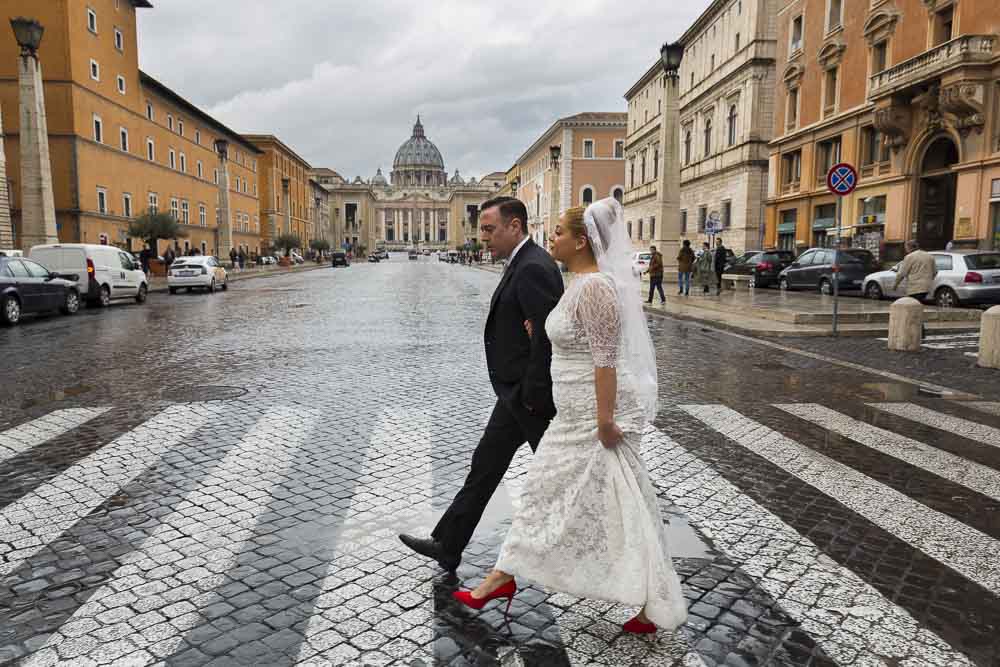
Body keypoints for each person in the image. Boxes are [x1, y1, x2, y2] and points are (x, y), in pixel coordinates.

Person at [451, 199, 688, 635]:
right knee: (582, 499)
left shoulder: (596, 287)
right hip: (570, 413)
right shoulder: (577, 283)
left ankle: (504, 580)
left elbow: (605, 360)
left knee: (616, 503)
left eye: (559, 231)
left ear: (582, 241)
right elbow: (568, 333)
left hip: (589, 417)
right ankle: (503, 577)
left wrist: (603, 422)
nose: (552, 238)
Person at [399, 197, 564, 571]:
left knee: (562, 476)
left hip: (529, 396)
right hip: (513, 395)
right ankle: (448, 544)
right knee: (485, 466)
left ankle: (606, 544)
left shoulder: (534, 267)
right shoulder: (522, 262)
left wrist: (534, 397)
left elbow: (546, 339)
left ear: (515, 226)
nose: (482, 237)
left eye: (489, 229)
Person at [893, 239, 937, 305]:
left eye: (906, 248)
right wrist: (928, 279)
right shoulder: (929, 256)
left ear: (909, 247)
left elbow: (902, 273)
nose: (906, 250)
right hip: (927, 287)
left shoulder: (909, 257)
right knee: (918, 304)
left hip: (914, 287)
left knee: (912, 306)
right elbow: (935, 272)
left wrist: (895, 285)